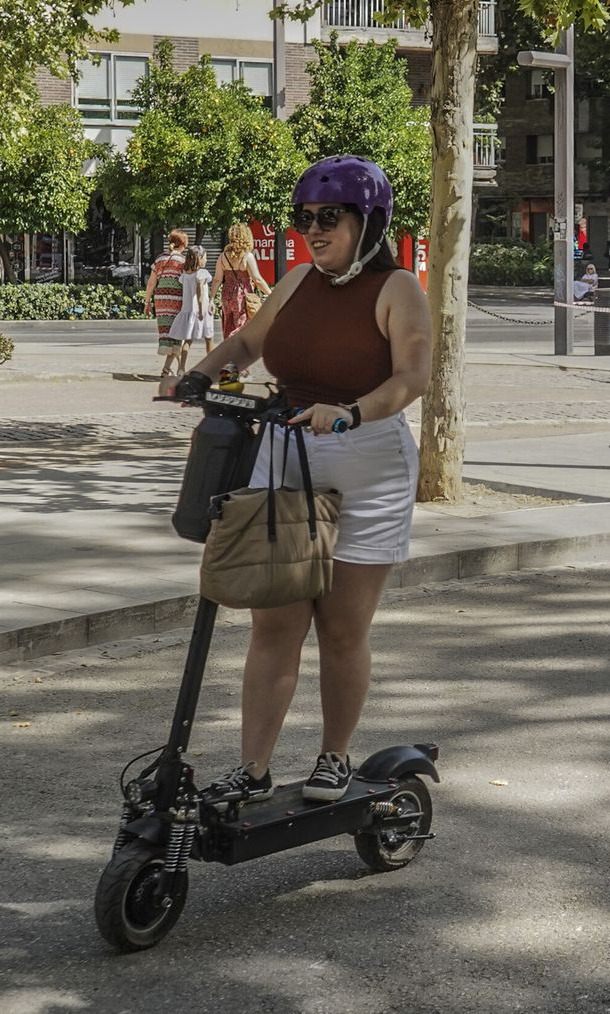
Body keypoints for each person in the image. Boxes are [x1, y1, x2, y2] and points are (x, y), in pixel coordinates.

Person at [160, 155, 432, 804]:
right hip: (283, 457)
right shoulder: (297, 281)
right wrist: (200, 376)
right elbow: (248, 344)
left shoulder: (398, 290)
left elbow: (411, 378)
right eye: (304, 218)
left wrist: (352, 413)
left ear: (367, 223)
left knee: (341, 628)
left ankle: (334, 757)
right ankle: (253, 770)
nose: (313, 229)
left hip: (367, 465)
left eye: (328, 218)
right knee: (273, 622)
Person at [216, 223, 273, 340]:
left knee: (228, 324)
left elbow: (217, 279)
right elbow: (257, 279)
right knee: (243, 325)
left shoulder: (223, 256)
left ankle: (229, 348)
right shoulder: (247, 257)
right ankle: (233, 347)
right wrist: (271, 294)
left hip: (226, 294)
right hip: (242, 296)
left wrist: (212, 297)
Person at [144, 230, 189, 377]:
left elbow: (151, 283)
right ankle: (176, 369)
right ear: (183, 243)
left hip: (161, 300)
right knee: (177, 333)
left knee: (168, 333)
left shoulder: (159, 259)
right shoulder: (183, 261)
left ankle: (169, 369)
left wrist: (147, 302)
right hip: (177, 299)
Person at [165, 247, 213, 377]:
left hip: (187, 311)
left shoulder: (185, 274)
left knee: (187, 341)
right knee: (209, 339)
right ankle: (211, 366)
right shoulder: (202, 273)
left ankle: (181, 368)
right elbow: (200, 291)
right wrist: (202, 307)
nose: (207, 259)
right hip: (200, 311)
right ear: (200, 258)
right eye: (205, 257)